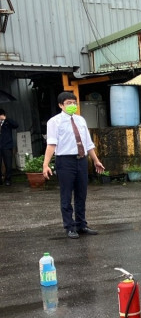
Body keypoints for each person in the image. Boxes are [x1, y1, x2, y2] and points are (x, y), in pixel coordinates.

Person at [43, 92, 105, 239]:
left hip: (81, 160)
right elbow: (51, 144)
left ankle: (81, 224)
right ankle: (69, 227)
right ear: (60, 105)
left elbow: (88, 143)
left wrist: (96, 160)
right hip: (65, 161)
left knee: (81, 194)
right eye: (68, 103)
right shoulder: (54, 122)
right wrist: (45, 164)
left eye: (74, 103)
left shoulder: (81, 120)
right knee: (66, 195)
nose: (72, 105)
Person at [0, 108, 19, 186]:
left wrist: (6, 119)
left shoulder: (8, 122)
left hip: (7, 146)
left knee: (8, 163)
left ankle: (8, 179)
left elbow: (16, 125)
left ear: (3, 115)